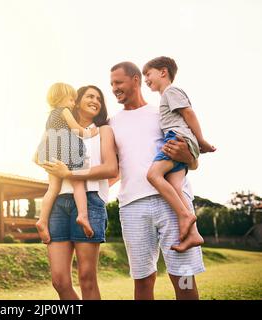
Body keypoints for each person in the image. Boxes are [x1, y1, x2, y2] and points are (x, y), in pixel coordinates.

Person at [109, 61, 205, 300]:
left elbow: (189, 157)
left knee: (183, 277)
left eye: (118, 82)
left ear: (135, 81)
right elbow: (113, 169)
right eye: (111, 84)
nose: (114, 88)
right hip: (132, 207)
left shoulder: (162, 111)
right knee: (142, 280)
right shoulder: (111, 124)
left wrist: (191, 159)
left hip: (171, 203)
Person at [40, 85, 118, 299]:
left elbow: (112, 169)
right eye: (89, 96)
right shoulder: (59, 126)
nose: (95, 100)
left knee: (86, 277)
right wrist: (53, 166)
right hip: (57, 203)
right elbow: (38, 156)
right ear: (76, 100)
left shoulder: (103, 131)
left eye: (99, 98)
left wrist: (71, 173)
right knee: (59, 280)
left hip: (89, 201)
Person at [143, 56, 215, 251]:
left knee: (153, 175)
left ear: (163, 72)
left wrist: (201, 141)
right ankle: (194, 234)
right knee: (175, 185)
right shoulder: (166, 96)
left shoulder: (171, 91)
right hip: (181, 139)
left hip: (176, 138)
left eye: (148, 74)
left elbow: (189, 113)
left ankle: (185, 215)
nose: (146, 79)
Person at [35, 82, 99, 244]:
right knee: (78, 183)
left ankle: (42, 220)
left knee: (52, 188)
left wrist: (41, 159)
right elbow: (77, 130)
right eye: (72, 100)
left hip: (52, 154)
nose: (73, 103)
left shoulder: (49, 117)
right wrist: (91, 132)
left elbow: (43, 144)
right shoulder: (64, 111)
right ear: (63, 99)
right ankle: (83, 215)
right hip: (68, 150)